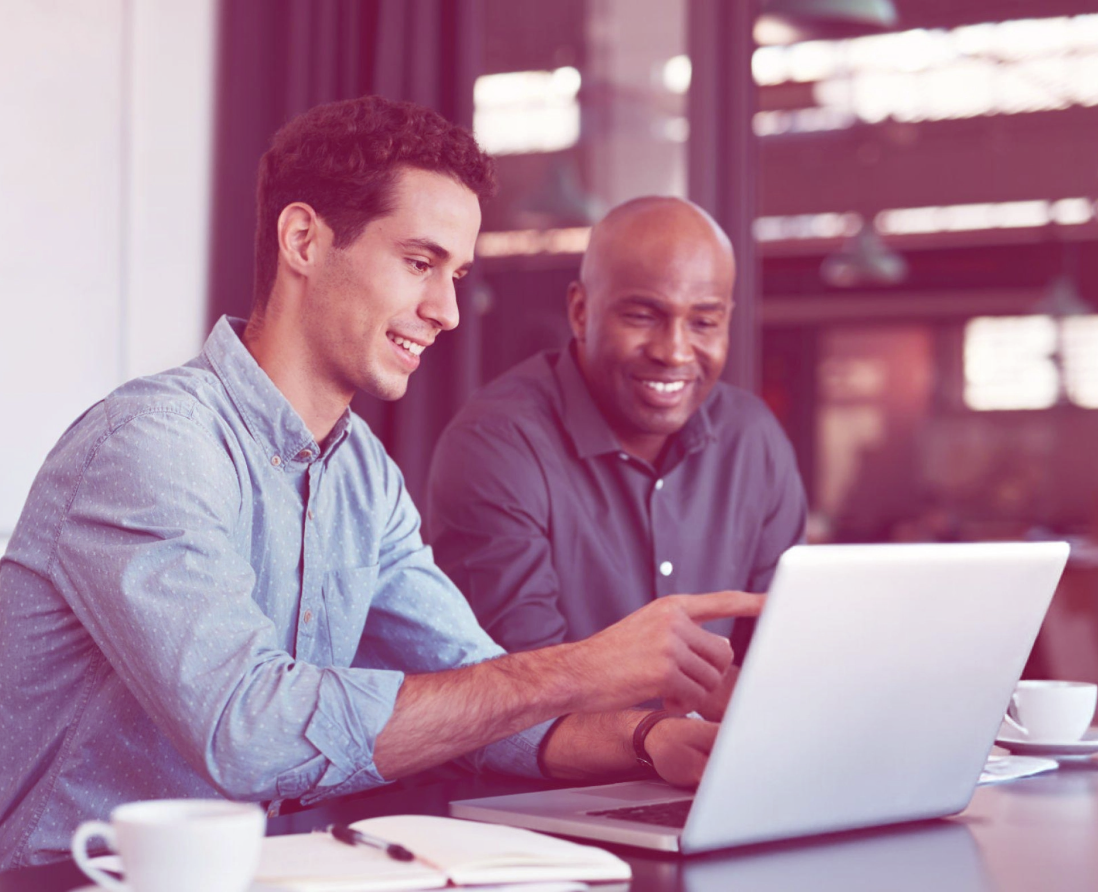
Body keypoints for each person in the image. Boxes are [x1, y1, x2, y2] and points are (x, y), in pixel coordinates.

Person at [0, 98, 762, 868]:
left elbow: (476, 692)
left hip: (265, 876)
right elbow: (249, 731)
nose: (448, 310)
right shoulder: (152, 446)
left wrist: (650, 740)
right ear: (303, 240)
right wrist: (582, 667)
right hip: (69, 876)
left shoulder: (362, 473)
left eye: (457, 274)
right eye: (419, 263)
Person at [427, 196, 806, 658]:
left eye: (704, 321)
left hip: (722, 733)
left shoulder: (752, 439)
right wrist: (662, 727)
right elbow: (520, 687)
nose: (675, 352)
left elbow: (782, 652)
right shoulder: (496, 443)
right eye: (643, 316)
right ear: (581, 312)